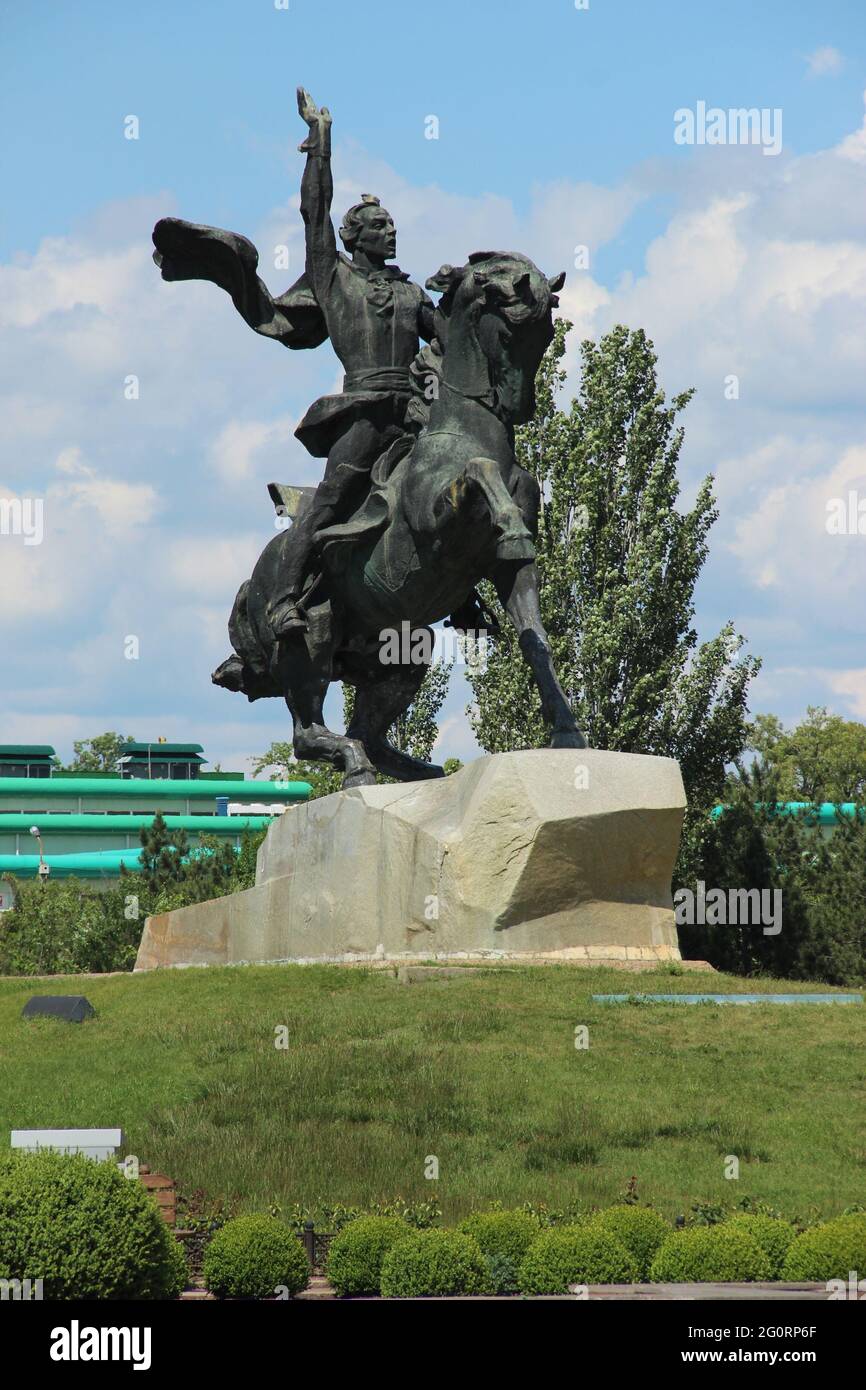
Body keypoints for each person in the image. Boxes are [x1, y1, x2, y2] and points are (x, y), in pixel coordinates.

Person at [265, 89, 437, 634]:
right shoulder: (334, 278)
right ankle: (285, 599)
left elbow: (454, 343)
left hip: (413, 416)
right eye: (380, 225)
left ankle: (464, 583)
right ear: (354, 236)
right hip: (364, 414)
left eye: (391, 225)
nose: (391, 231)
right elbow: (314, 212)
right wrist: (321, 145)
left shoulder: (412, 295)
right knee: (331, 503)